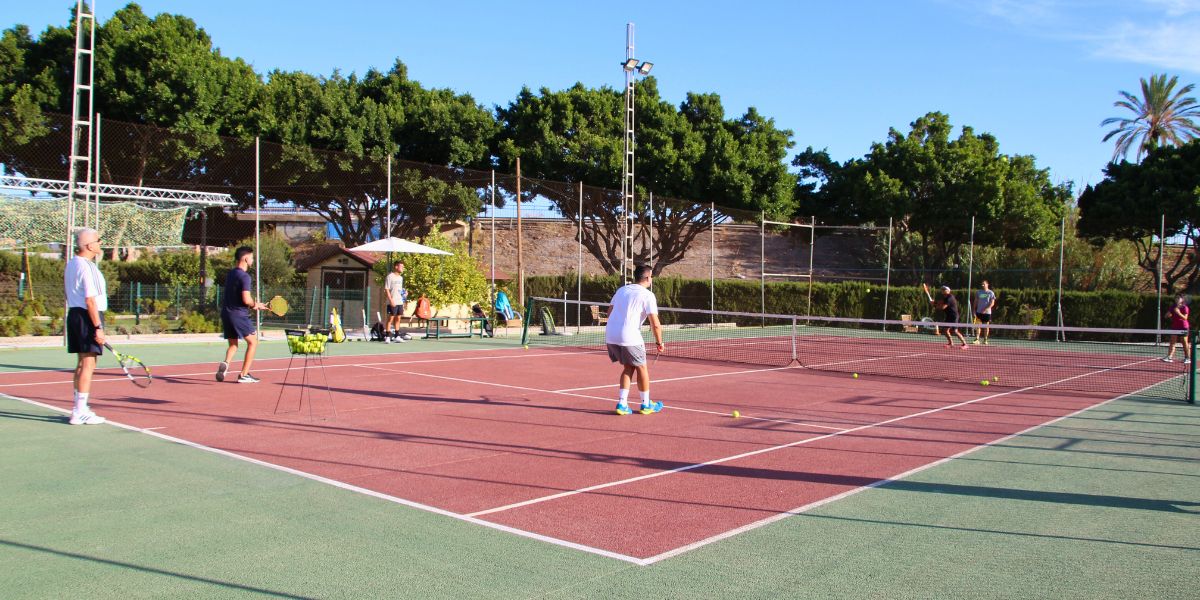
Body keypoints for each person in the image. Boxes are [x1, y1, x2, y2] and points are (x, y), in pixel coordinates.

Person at [605, 265, 666, 415]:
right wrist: (659, 343)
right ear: (647, 278)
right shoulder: (647, 295)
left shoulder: (622, 290)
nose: (651, 279)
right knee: (642, 368)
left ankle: (622, 404)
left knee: (628, 367)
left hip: (611, 335)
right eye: (651, 276)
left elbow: (609, 312)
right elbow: (655, 324)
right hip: (629, 336)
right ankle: (646, 405)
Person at [64, 228, 108, 425]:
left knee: (81, 363)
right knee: (88, 364)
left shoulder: (71, 264)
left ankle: (78, 409)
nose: (100, 243)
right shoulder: (87, 267)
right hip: (88, 315)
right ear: (89, 245)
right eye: (99, 240)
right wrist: (97, 326)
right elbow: (91, 300)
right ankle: (80, 410)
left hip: (74, 314)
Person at [216, 246, 267, 383]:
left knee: (233, 345)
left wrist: (254, 304)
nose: (252, 259)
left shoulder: (231, 274)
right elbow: (246, 299)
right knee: (253, 342)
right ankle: (244, 375)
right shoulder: (245, 276)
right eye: (251, 257)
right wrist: (254, 304)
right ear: (245, 258)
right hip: (238, 315)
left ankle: (226, 363)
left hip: (226, 314)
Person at [932, 285, 967, 349]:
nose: (943, 290)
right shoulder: (945, 297)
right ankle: (951, 343)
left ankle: (965, 344)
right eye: (942, 289)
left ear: (948, 291)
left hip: (954, 316)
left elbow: (943, 307)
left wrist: (935, 305)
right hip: (949, 316)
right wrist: (934, 302)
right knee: (945, 330)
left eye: (944, 289)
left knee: (955, 331)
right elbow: (941, 302)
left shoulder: (950, 297)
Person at [384, 260, 411, 343]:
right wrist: (391, 300)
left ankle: (397, 336)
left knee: (398, 318)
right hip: (392, 301)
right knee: (390, 319)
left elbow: (399, 290)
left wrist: (404, 293)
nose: (403, 268)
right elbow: (386, 289)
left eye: (403, 267)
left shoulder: (401, 278)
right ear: (396, 267)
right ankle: (387, 336)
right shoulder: (390, 276)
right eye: (401, 266)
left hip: (399, 301)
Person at [1164, 294, 1191, 364]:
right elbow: (1167, 316)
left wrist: (1178, 312)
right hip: (1175, 327)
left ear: (1182, 299)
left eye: (1178, 298)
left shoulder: (1185, 307)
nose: (1177, 299)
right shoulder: (1173, 307)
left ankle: (1187, 358)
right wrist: (1168, 314)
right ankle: (1169, 357)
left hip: (1183, 327)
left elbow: (1185, 318)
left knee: (1184, 342)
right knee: (1172, 342)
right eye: (1176, 298)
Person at [972, 280, 997, 345]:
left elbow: (992, 303)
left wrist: (985, 309)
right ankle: (977, 339)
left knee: (986, 326)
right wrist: (974, 310)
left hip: (987, 313)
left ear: (987, 284)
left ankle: (985, 340)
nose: (982, 285)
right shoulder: (978, 292)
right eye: (982, 284)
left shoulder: (991, 293)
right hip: (979, 312)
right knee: (978, 325)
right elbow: (975, 301)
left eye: (984, 284)